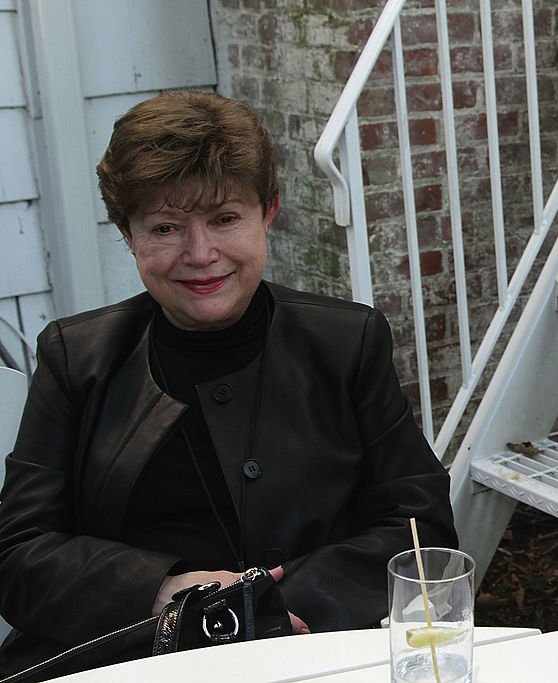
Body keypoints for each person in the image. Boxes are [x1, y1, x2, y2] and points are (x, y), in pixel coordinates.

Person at [0, 91, 458, 676]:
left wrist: (266, 611)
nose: (201, 254)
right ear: (127, 233)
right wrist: (163, 592)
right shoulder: (77, 357)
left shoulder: (347, 342)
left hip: (309, 651)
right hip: (126, 657)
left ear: (267, 212)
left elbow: (418, 527)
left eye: (224, 218)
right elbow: (17, 551)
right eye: (166, 227)